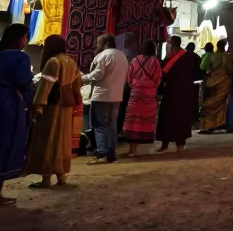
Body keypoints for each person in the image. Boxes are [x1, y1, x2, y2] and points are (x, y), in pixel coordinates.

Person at [24, 34, 82, 188]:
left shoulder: (53, 62)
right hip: (66, 107)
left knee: (47, 140)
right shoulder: (71, 62)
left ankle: (46, 180)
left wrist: (37, 105)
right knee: (62, 141)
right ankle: (61, 177)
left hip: (52, 107)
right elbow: (78, 85)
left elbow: (45, 87)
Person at [81, 33, 129, 165]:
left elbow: (98, 75)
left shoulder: (103, 55)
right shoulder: (122, 55)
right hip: (117, 96)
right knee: (112, 126)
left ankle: (102, 153)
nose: (97, 45)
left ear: (105, 43)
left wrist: (82, 78)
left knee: (99, 125)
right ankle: (111, 155)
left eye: (98, 43)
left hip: (101, 95)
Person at [0, 23, 33, 204]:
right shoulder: (20, 57)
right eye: (26, 37)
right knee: (6, 143)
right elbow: (24, 81)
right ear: (20, 38)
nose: (26, 41)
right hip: (8, 104)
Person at [156, 35, 199, 153]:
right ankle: (180, 145)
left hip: (171, 91)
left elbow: (162, 76)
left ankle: (165, 145)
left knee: (168, 117)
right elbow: (199, 72)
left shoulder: (169, 58)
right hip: (186, 91)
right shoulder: (191, 56)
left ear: (171, 44)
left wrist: (158, 90)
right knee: (181, 117)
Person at [123, 40, 162, 154]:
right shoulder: (155, 61)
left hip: (135, 93)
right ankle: (140, 146)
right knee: (145, 120)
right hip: (149, 94)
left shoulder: (135, 60)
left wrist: (135, 85)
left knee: (134, 119)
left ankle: (132, 150)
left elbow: (129, 78)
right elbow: (157, 78)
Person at [200, 38, 233, 132]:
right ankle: (222, 124)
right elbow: (230, 71)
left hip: (212, 82)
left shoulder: (210, 56)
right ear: (224, 46)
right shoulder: (228, 57)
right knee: (224, 103)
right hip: (224, 82)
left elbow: (202, 67)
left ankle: (207, 125)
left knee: (209, 103)